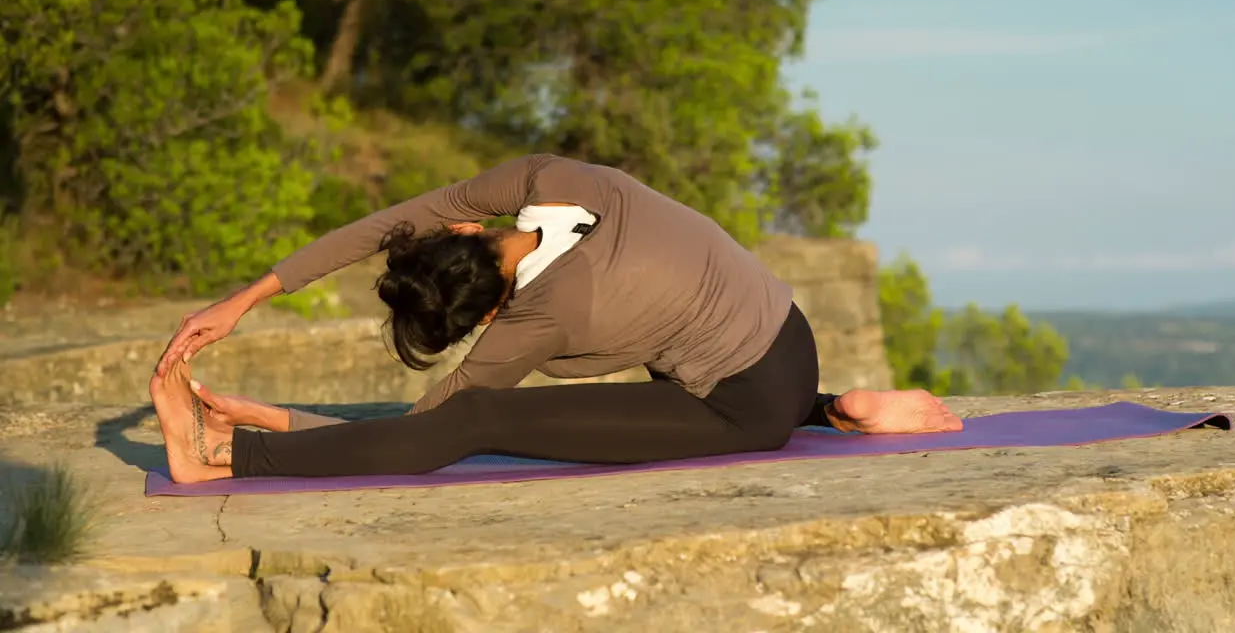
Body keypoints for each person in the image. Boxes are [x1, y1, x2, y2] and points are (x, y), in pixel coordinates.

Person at [149, 154, 962, 484]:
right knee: (676, 325)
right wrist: (248, 296)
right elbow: (389, 221)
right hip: (789, 336)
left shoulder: (552, 314)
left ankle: (216, 462)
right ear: (461, 231)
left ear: (488, 315)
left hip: (742, 406)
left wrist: (269, 432)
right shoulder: (550, 180)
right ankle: (831, 408)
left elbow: (437, 423)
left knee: (484, 417)